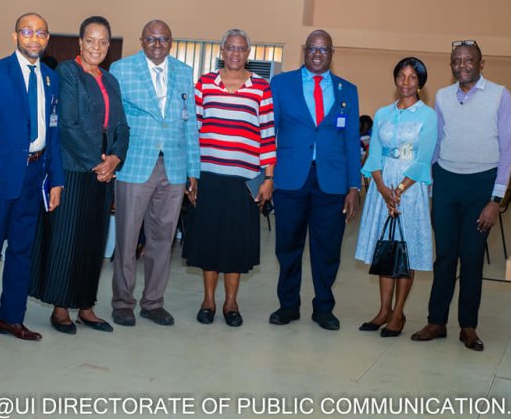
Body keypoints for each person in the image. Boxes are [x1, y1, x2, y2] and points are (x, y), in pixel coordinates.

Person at [30, 15, 129, 334]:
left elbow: (122, 126)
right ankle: (61, 307)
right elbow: (68, 126)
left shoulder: (110, 79)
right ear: (80, 42)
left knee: (94, 241)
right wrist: (99, 163)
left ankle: (86, 305)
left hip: (103, 174)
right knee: (68, 239)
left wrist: (115, 158)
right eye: (91, 40)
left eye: (103, 42)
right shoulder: (68, 72)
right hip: (74, 169)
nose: (96, 47)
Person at [411, 40, 511, 351]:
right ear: (451, 65)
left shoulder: (500, 95)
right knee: (444, 256)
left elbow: (508, 151)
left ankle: (468, 326)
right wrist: (424, 185)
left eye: (469, 60)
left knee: (471, 258)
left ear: (481, 64)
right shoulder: (442, 97)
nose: (462, 65)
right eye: (457, 60)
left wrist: (495, 200)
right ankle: (436, 321)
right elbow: (436, 145)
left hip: (481, 186)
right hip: (445, 182)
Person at [0, 13, 64, 347]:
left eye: (41, 32)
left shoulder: (52, 79)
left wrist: (56, 179)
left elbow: (53, 131)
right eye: (28, 31)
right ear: (15, 36)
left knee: (22, 250)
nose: (34, 38)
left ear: (47, 38)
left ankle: (11, 317)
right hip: (1, 175)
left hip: (36, 175)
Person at [183, 29, 276, 327]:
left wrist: (268, 178)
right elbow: (193, 132)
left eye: (241, 49)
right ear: (222, 51)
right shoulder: (204, 85)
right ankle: (208, 300)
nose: (235, 53)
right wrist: (192, 175)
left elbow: (268, 136)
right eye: (230, 48)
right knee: (209, 243)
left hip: (244, 181)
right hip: (209, 177)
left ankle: (231, 303)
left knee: (235, 246)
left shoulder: (261, 88)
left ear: (248, 53)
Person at [269, 29, 361, 331]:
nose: (317, 54)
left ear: (332, 54)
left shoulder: (348, 90)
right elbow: (270, 133)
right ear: (304, 51)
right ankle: (288, 305)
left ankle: (323, 307)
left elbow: (351, 141)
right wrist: (268, 176)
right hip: (291, 178)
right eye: (312, 48)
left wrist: (353, 186)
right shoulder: (281, 84)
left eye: (323, 49)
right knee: (288, 246)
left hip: (331, 182)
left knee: (327, 248)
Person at [110, 19, 200, 327]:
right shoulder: (122, 70)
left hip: (173, 167)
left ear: (171, 41)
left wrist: (193, 170)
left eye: (163, 39)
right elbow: (114, 121)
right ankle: (122, 302)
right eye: (151, 39)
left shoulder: (184, 73)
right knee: (127, 237)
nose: (157, 44)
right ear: (141, 40)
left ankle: (153, 302)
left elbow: (191, 125)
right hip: (135, 165)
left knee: (163, 239)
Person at [354, 57, 437, 337]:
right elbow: (373, 153)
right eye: (401, 76)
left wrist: (399, 190)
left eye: (412, 77)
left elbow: (423, 159)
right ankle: (383, 310)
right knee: (386, 249)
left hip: (410, 191)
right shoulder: (382, 114)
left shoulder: (428, 116)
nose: (405, 82)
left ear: (420, 83)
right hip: (382, 187)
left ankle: (399, 313)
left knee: (406, 249)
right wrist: (381, 187)